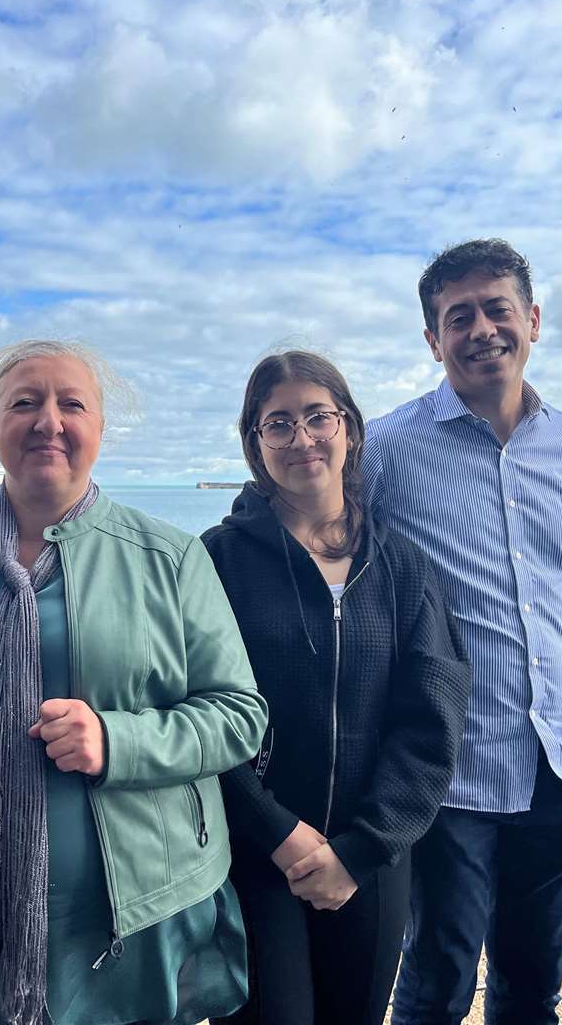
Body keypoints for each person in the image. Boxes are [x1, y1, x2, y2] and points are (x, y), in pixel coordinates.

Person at [0, 339, 267, 1025]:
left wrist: (118, 740)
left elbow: (238, 715)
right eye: (23, 402)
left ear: (100, 430)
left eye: (71, 404)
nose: (47, 421)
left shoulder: (168, 556)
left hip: (123, 921)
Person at [369, 240, 562, 1024]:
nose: (482, 329)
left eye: (497, 309)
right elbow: (332, 562)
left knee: (533, 992)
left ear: (532, 319)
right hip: (445, 778)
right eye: (459, 317)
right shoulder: (388, 449)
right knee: (434, 988)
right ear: (433, 341)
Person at [200, 350, 472, 1025]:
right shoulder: (214, 560)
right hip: (252, 856)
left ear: (349, 428)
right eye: (278, 424)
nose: (302, 438)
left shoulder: (400, 564)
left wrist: (358, 849)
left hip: (370, 860)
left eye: (318, 416)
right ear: (255, 443)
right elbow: (195, 711)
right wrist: (277, 831)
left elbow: (431, 718)